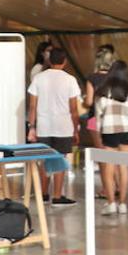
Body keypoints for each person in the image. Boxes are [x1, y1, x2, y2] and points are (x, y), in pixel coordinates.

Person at [26, 47, 80, 206]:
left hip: (43, 125)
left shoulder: (39, 78)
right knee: (60, 158)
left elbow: (33, 106)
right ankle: (57, 196)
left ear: (49, 61)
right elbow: (74, 109)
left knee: (44, 159)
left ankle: (43, 193)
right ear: (65, 61)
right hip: (63, 126)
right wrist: (76, 129)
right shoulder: (70, 80)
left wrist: (32, 127)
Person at [95, 60, 128, 215]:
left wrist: (99, 134)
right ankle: (123, 204)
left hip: (109, 129)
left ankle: (111, 203)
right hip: (127, 129)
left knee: (109, 167)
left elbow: (98, 115)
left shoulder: (103, 90)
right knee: (124, 166)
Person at [83, 44, 115, 151]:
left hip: (95, 117)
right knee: (113, 153)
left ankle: (103, 168)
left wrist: (83, 102)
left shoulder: (92, 78)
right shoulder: (116, 78)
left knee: (101, 151)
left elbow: (89, 102)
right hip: (112, 117)